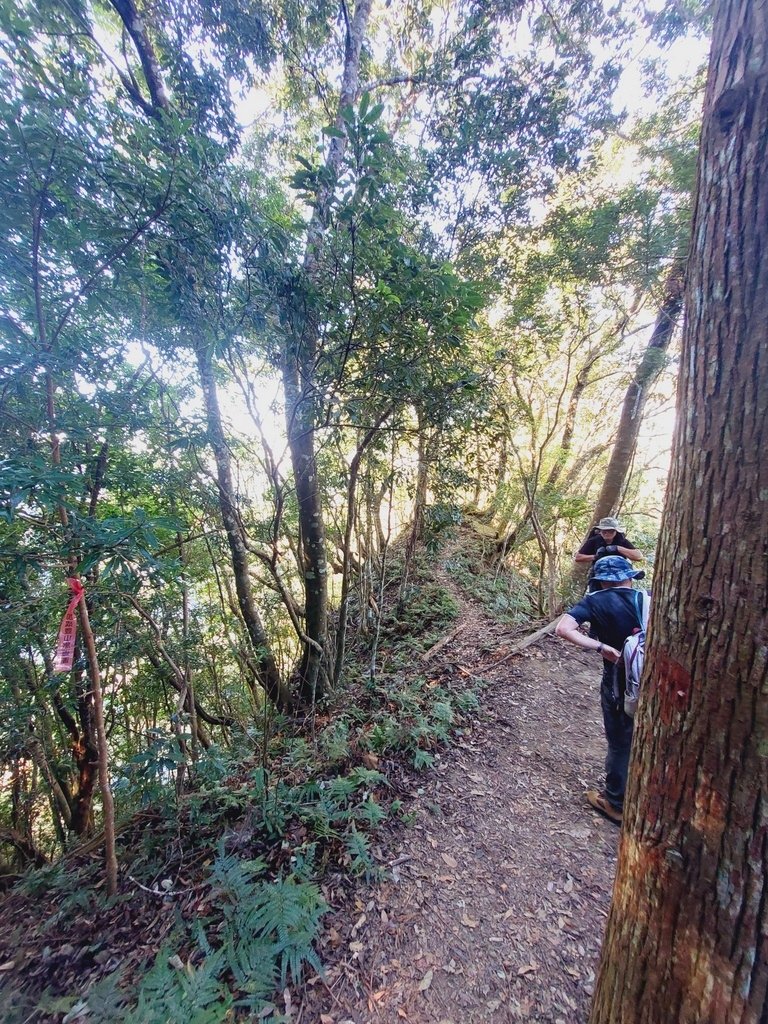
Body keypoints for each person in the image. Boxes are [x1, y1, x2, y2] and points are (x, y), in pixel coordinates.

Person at [555, 555, 647, 824]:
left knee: (620, 738)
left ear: (601, 582)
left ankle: (616, 803)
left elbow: (563, 628)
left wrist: (600, 647)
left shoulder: (594, 601)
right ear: (629, 577)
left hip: (620, 678)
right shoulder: (649, 598)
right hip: (657, 678)